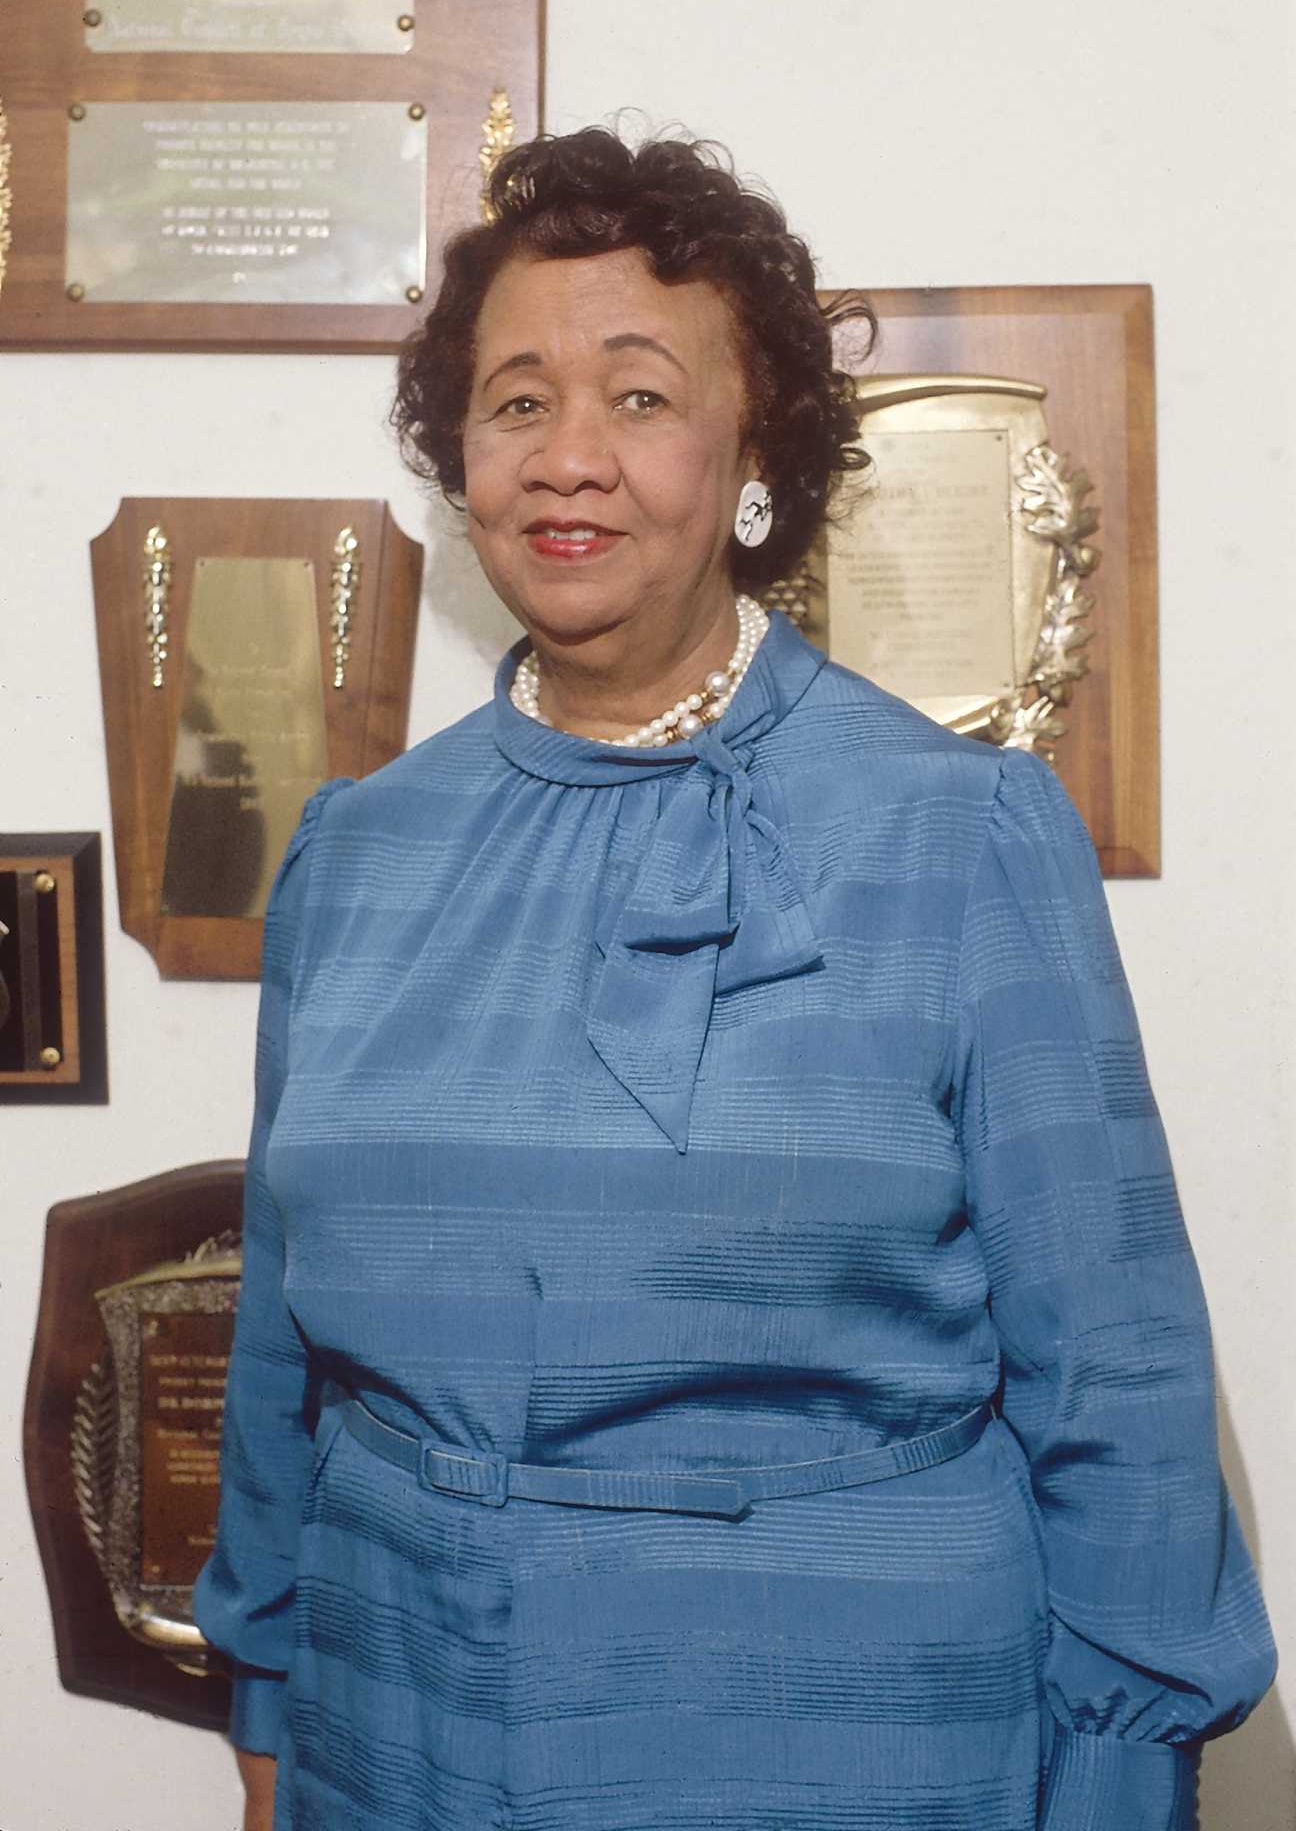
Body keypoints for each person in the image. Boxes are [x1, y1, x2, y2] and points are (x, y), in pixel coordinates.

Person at [194, 128, 1277, 1831]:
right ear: (458, 454)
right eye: (518, 401)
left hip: (844, 1746)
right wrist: (268, 1711)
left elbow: (1119, 1387)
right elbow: (280, 1356)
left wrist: (1124, 1778)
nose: (569, 460)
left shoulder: (964, 834)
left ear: (752, 452)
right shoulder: (357, 856)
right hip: (398, 1728)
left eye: (639, 398)